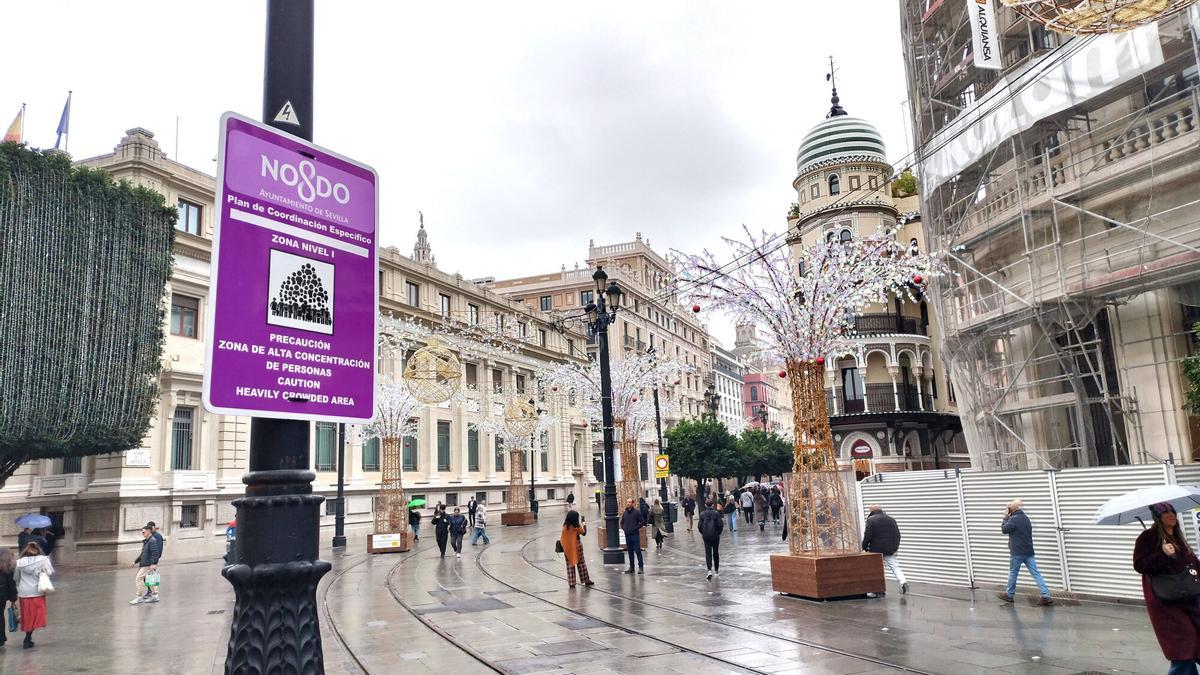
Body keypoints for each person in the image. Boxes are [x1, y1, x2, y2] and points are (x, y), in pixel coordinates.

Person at [1134, 502, 1200, 674]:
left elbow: (1192, 562)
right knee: (1183, 643)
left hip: (1189, 596)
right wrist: (1162, 554)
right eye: (1165, 512)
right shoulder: (1147, 537)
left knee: (1193, 641)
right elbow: (1140, 565)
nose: (1171, 514)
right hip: (1166, 600)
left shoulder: (1177, 536)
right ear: (1157, 517)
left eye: (1173, 511)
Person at [997, 499, 1053, 605]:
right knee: (1036, 573)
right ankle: (1046, 596)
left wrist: (1005, 517)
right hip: (1029, 551)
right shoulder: (1026, 518)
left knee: (1013, 573)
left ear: (1011, 510)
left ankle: (1009, 595)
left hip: (1017, 552)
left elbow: (1004, 530)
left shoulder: (1013, 519)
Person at [862, 504, 907, 596]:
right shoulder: (891, 519)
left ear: (871, 511)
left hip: (876, 550)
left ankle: (878, 591)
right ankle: (903, 582)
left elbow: (868, 536)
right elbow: (897, 535)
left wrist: (864, 546)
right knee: (895, 567)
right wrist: (895, 548)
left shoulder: (871, 520)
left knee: (876, 570)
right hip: (889, 549)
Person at [16, 543, 53, 649]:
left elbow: (16, 577)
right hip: (37, 591)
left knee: (27, 616)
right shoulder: (43, 560)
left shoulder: (19, 562)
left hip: (24, 592)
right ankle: (27, 638)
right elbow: (49, 572)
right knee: (37, 615)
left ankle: (27, 638)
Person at [560, 510, 594, 588]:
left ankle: (572, 582)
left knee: (570, 564)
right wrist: (584, 524)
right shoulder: (576, 527)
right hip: (577, 546)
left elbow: (562, 539)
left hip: (567, 548)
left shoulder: (565, 527)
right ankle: (586, 580)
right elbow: (584, 532)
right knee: (581, 563)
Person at [130, 525, 162, 604]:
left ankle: (139, 597)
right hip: (147, 564)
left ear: (149, 531)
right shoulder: (147, 541)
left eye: (144, 532)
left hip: (147, 564)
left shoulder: (152, 541)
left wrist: (153, 564)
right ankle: (155, 596)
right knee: (151, 580)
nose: (142, 533)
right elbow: (143, 553)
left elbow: (155, 553)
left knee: (139, 578)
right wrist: (135, 561)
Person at [698, 499, 724, 580]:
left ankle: (709, 570)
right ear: (712, 505)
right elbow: (720, 525)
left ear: (705, 505)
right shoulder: (716, 513)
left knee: (708, 553)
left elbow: (699, 526)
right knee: (716, 552)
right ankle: (716, 570)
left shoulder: (702, 514)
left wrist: (703, 532)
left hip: (706, 536)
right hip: (715, 535)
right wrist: (718, 532)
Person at [620, 499, 645, 574]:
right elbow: (622, 522)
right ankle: (631, 567)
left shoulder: (637, 512)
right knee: (630, 552)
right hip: (627, 535)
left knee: (637, 551)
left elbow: (642, 522)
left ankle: (641, 567)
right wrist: (624, 528)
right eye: (627, 502)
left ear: (633, 503)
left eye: (629, 502)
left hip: (634, 535)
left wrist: (635, 528)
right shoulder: (625, 513)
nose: (628, 503)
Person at [0, 548, 17, 647]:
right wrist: (13, 599)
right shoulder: (8, 569)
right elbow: (12, 585)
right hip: (2, 595)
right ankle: (1, 638)